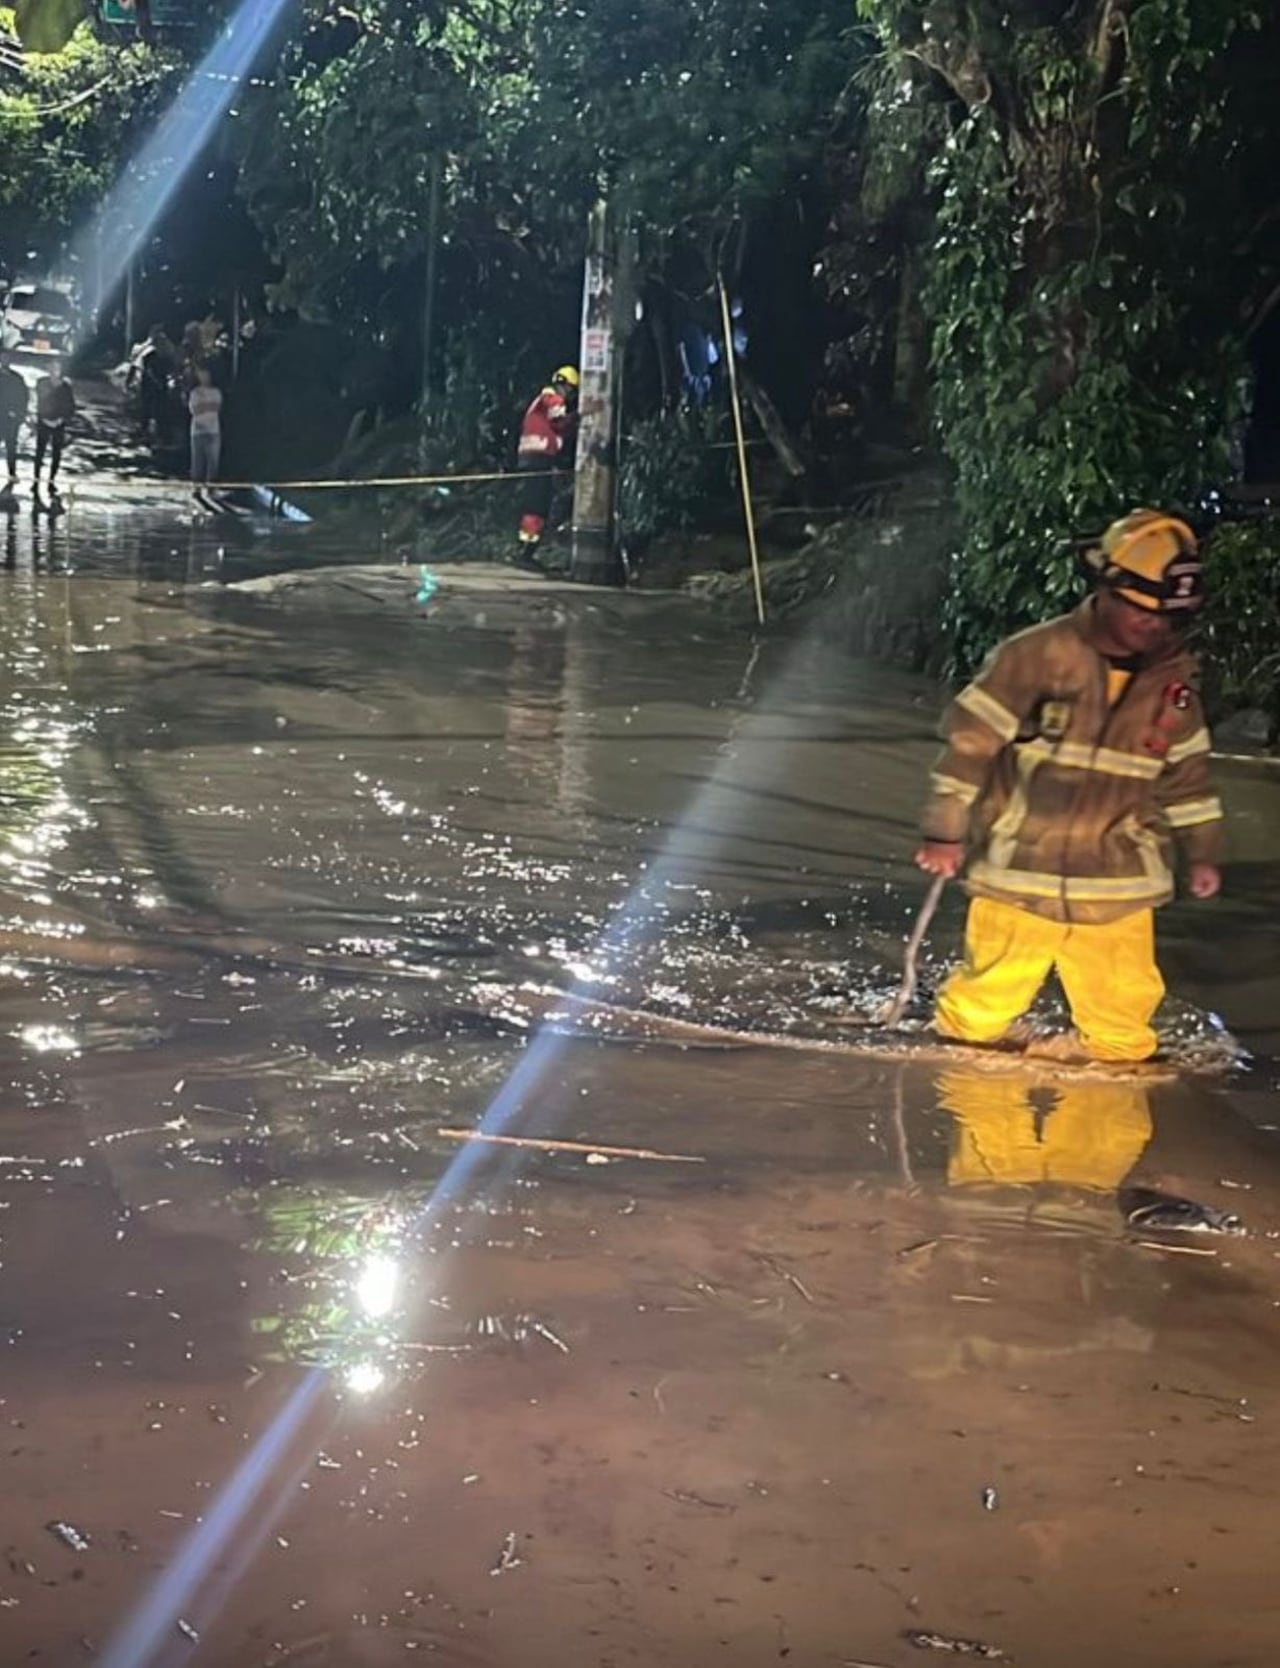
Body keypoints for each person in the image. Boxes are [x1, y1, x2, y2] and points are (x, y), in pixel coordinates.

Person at [915, 508, 1223, 1064]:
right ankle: (965, 1097)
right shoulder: (1035, 656)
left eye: (1165, 619)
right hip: (1020, 872)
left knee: (1123, 1031)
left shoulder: (1174, 688)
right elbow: (970, 746)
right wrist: (945, 831)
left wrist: (1201, 854)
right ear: (1107, 588)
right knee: (978, 1016)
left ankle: (1113, 1110)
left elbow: (1188, 782)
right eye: (1142, 612)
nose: (1153, 627)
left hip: (1120, 884)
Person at [514, 364, 579, 568]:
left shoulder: (541, 401)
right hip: (538, 458)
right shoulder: (552, 398)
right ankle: (526, 552)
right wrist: (580, 416)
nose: (570, 396)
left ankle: (526, 549)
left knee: (535, 505)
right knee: (537, 506)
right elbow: (559, 422)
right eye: (572, 391)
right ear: (566, 386)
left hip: (533, 458)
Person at [33, 359, 76, 496]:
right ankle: (36, 480)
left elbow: (70, 406)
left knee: (56, 453)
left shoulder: (66, 387)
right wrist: (43, 418)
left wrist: (61, 419)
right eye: (51, 368)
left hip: (59, 423)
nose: (53, 371)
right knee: (39, 452)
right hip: (44, 421)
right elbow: (40, 401)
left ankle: (51, 481)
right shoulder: (41, 383)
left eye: (56, 368)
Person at [188, 363, 223, 493]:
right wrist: (207, 406)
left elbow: (216, 407)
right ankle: (196, 488)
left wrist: (204, 406)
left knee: (213, 461)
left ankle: (211, 488)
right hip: (197, 431)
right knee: (197, 461)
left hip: (213, 430)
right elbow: (195, 410)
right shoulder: (195, 393)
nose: (204, 377)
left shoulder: (216, 392)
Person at [0, 351, 27, 496]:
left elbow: (23, 397)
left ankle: (12, 472)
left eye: (7, 358)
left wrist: (20, 415)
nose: (5, 360)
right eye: (2, 358)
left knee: (11, 447)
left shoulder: (17, 379)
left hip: (11, 419)